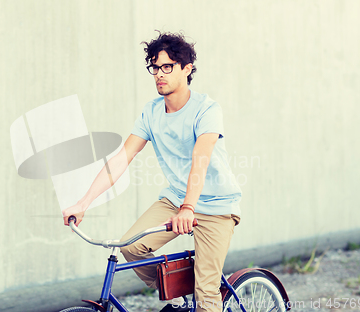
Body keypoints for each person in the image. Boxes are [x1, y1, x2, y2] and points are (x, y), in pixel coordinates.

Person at [63, 31, 242, 312]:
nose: (160, 74)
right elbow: (122, 158)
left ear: (187, 68)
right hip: (175, 200)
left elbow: (200, 159)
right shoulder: (152, 112)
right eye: (155, 68)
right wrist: (83, 202)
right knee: (131, 248)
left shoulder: (207, 109)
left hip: (217, 207)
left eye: (168, 67)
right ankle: (179, 299)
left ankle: (202, 292)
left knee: (207, 293)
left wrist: (188, 208)